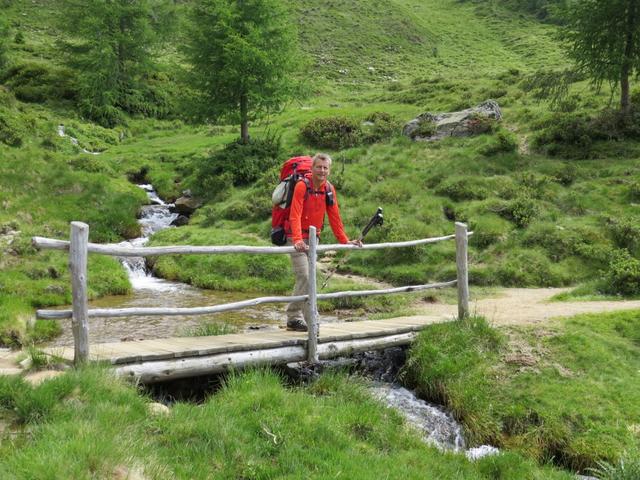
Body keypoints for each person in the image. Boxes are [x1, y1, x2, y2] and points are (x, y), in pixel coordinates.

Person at [285, 153, 362, 331]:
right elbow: (295, 214)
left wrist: (344, 241)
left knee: (307, 278)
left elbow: (335, 217)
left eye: (325, 167)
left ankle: (294, 317)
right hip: (295, 238)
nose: (322, 170)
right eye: (319, 167)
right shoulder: (302, 186)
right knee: (306, 276)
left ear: (329, 170)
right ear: (312, 168)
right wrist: (297, 239)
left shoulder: (328, 189)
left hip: (314, 239)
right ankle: (311, 322)